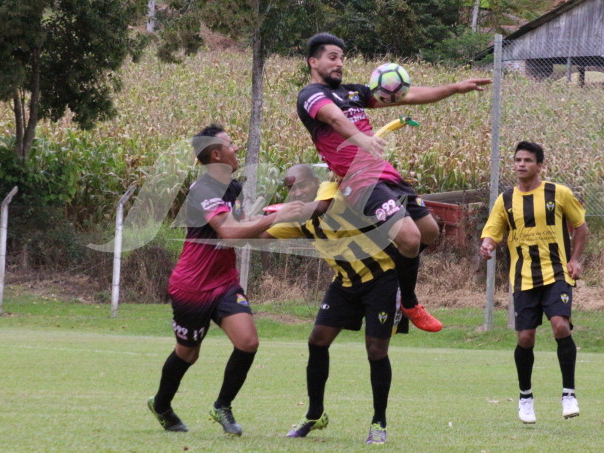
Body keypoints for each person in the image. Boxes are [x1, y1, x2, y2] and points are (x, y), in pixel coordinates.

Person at [298, 32, 492, 332]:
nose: (339, 64)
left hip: (385, 174)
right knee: (410, 238)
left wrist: (454, 88)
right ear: (313, 61)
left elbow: (409, 95)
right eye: (332, 58)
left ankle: (384, 267)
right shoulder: (310, 95)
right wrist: (362, 138)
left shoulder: (354, 93)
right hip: (359, 181)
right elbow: (335, 119)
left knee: (429, 230)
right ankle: (410, 302)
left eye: (342, 58)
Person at [147, 124, 305, 436]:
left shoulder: (231, 187)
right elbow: (229, 231)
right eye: (231, 144)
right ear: (216, 154)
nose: (236, 149)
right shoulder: (204, 190)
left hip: (224, 282)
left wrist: (290, 224)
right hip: (192, 286)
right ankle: (162, 405)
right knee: (188, 353)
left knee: (248, 342)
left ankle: (222, 406)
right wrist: (276, 216)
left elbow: (243, 230)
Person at [262, 163, 406, 445]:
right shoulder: (300, 218)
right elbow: (262, 235)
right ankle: (315, 414)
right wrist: (237, 222)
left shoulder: (335, 196)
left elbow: (320, 205)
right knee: (317, 341)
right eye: (291, 188)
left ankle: (379, 422)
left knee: (376, 351)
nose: (297, 192)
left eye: (302, 185)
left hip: (380, 278)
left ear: (315, 182)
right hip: (344, 284)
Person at [480, 141, 588, 424]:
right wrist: (488, 245)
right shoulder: (505, 200)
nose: (521, 164)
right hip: (523, 276)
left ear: (540, 165)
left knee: (560, 326)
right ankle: (525, 397)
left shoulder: (558, 193)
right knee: (525, 337)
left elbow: (581, 227)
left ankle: (568, 394)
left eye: (527, 160)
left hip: (557, 273)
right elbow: (492, 231)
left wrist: (575, 259)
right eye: (517, 160)